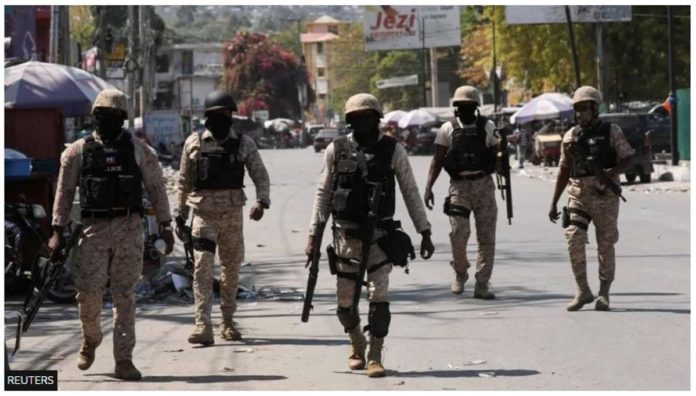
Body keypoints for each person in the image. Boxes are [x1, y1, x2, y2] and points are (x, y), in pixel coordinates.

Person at [48, 89, 174, 381]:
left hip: (129, 228)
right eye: (101, 115)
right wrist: (57, 230)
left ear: (123, 119)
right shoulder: (77, 151)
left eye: (113, 116)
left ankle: (124, 360)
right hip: (92, 230)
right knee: (88, 295)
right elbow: (64, 192)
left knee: (125, 296)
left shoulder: (140, 151)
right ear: (94, 117)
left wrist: (166, 227)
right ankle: (91, 339)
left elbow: (157, 189)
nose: (106, 121)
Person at [306, 93, 434, 378]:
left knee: (379, 298)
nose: (362, 122)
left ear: (377, 119)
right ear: (350, 120)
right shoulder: (335, 150)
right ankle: (356, 342)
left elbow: (410, 191)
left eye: (368, 117)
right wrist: (314, 234)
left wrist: (424, 230)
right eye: (356, 117)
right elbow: (323, 193)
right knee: (344, 304)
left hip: (380, 236)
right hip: (345, 237)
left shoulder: (393, 150)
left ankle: (375, 353)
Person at [175, 90, 270, 345]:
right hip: (203, 215)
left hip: (231, 216)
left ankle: (227, 322)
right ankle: (202, 325)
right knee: (202, 268)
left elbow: (260, 174)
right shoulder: (193, 143)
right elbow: (183, 181)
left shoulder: (243, 143)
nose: (221, 119)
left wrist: (262, 201)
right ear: (207, 117)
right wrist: (180, 214)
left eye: (225, 114)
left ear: (231, 115)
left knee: (231, 270)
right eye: (216, 115)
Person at [548, 86, 634, 311]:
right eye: (577, 109)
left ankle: (604, 292)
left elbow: (628, 157)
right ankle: (582, 290)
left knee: (605, 245)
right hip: (578, 195)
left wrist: (611, 173)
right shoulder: (571, 136)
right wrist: (554, 202)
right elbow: (564, 170)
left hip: (605, 196)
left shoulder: (611, 131)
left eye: (585, 108)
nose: (580, 113)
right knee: (573, 236)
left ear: (595, 108)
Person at [423, 85, 500, 299]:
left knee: (486, 237)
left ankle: (482, 283)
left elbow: (498, 154)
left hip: (483, 184)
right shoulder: (447, 129)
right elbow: (437, 159)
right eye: (461, 107)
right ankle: (460, 272)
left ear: (475, 107)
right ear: (456, 109)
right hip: (459, 186)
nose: (465, 111)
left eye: (469, 106)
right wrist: (429, 188)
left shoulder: (488, 126)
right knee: (458, 233)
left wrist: (501, 160)